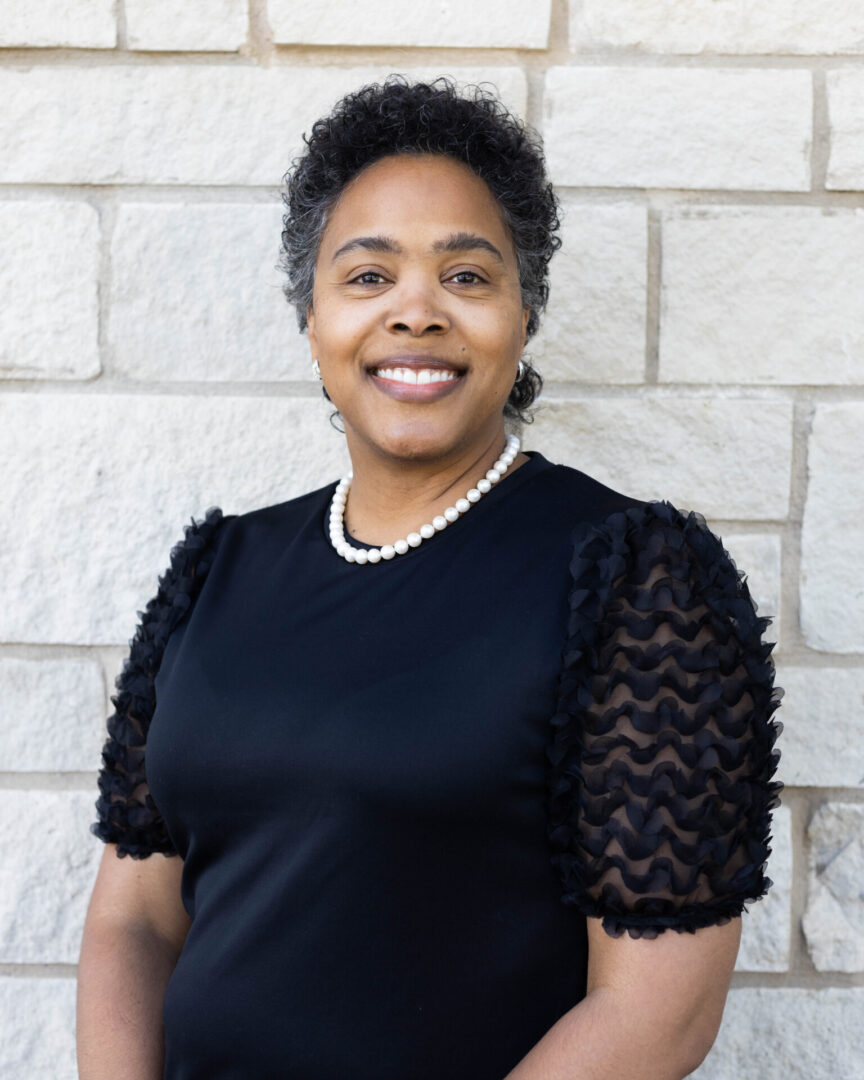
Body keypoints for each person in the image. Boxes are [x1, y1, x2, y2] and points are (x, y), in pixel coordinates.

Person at [76, 76, 785, 1080]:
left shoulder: (637, 583)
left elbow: (655, 1015)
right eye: (367, 278)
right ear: (311, 316)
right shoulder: (217, 570)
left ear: (522, 315)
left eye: (466, 276)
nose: (414, 313)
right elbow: (136, 921)